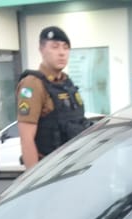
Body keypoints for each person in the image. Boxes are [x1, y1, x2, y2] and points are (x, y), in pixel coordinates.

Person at [16, 26, 90, 169]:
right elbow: (26, 139)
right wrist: (34, 183)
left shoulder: (67, 83)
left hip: (74, 167)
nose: (62, 53)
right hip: (49, 170)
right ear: (42, 50)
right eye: (55, 47)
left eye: (65, 47)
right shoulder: (33, 84)